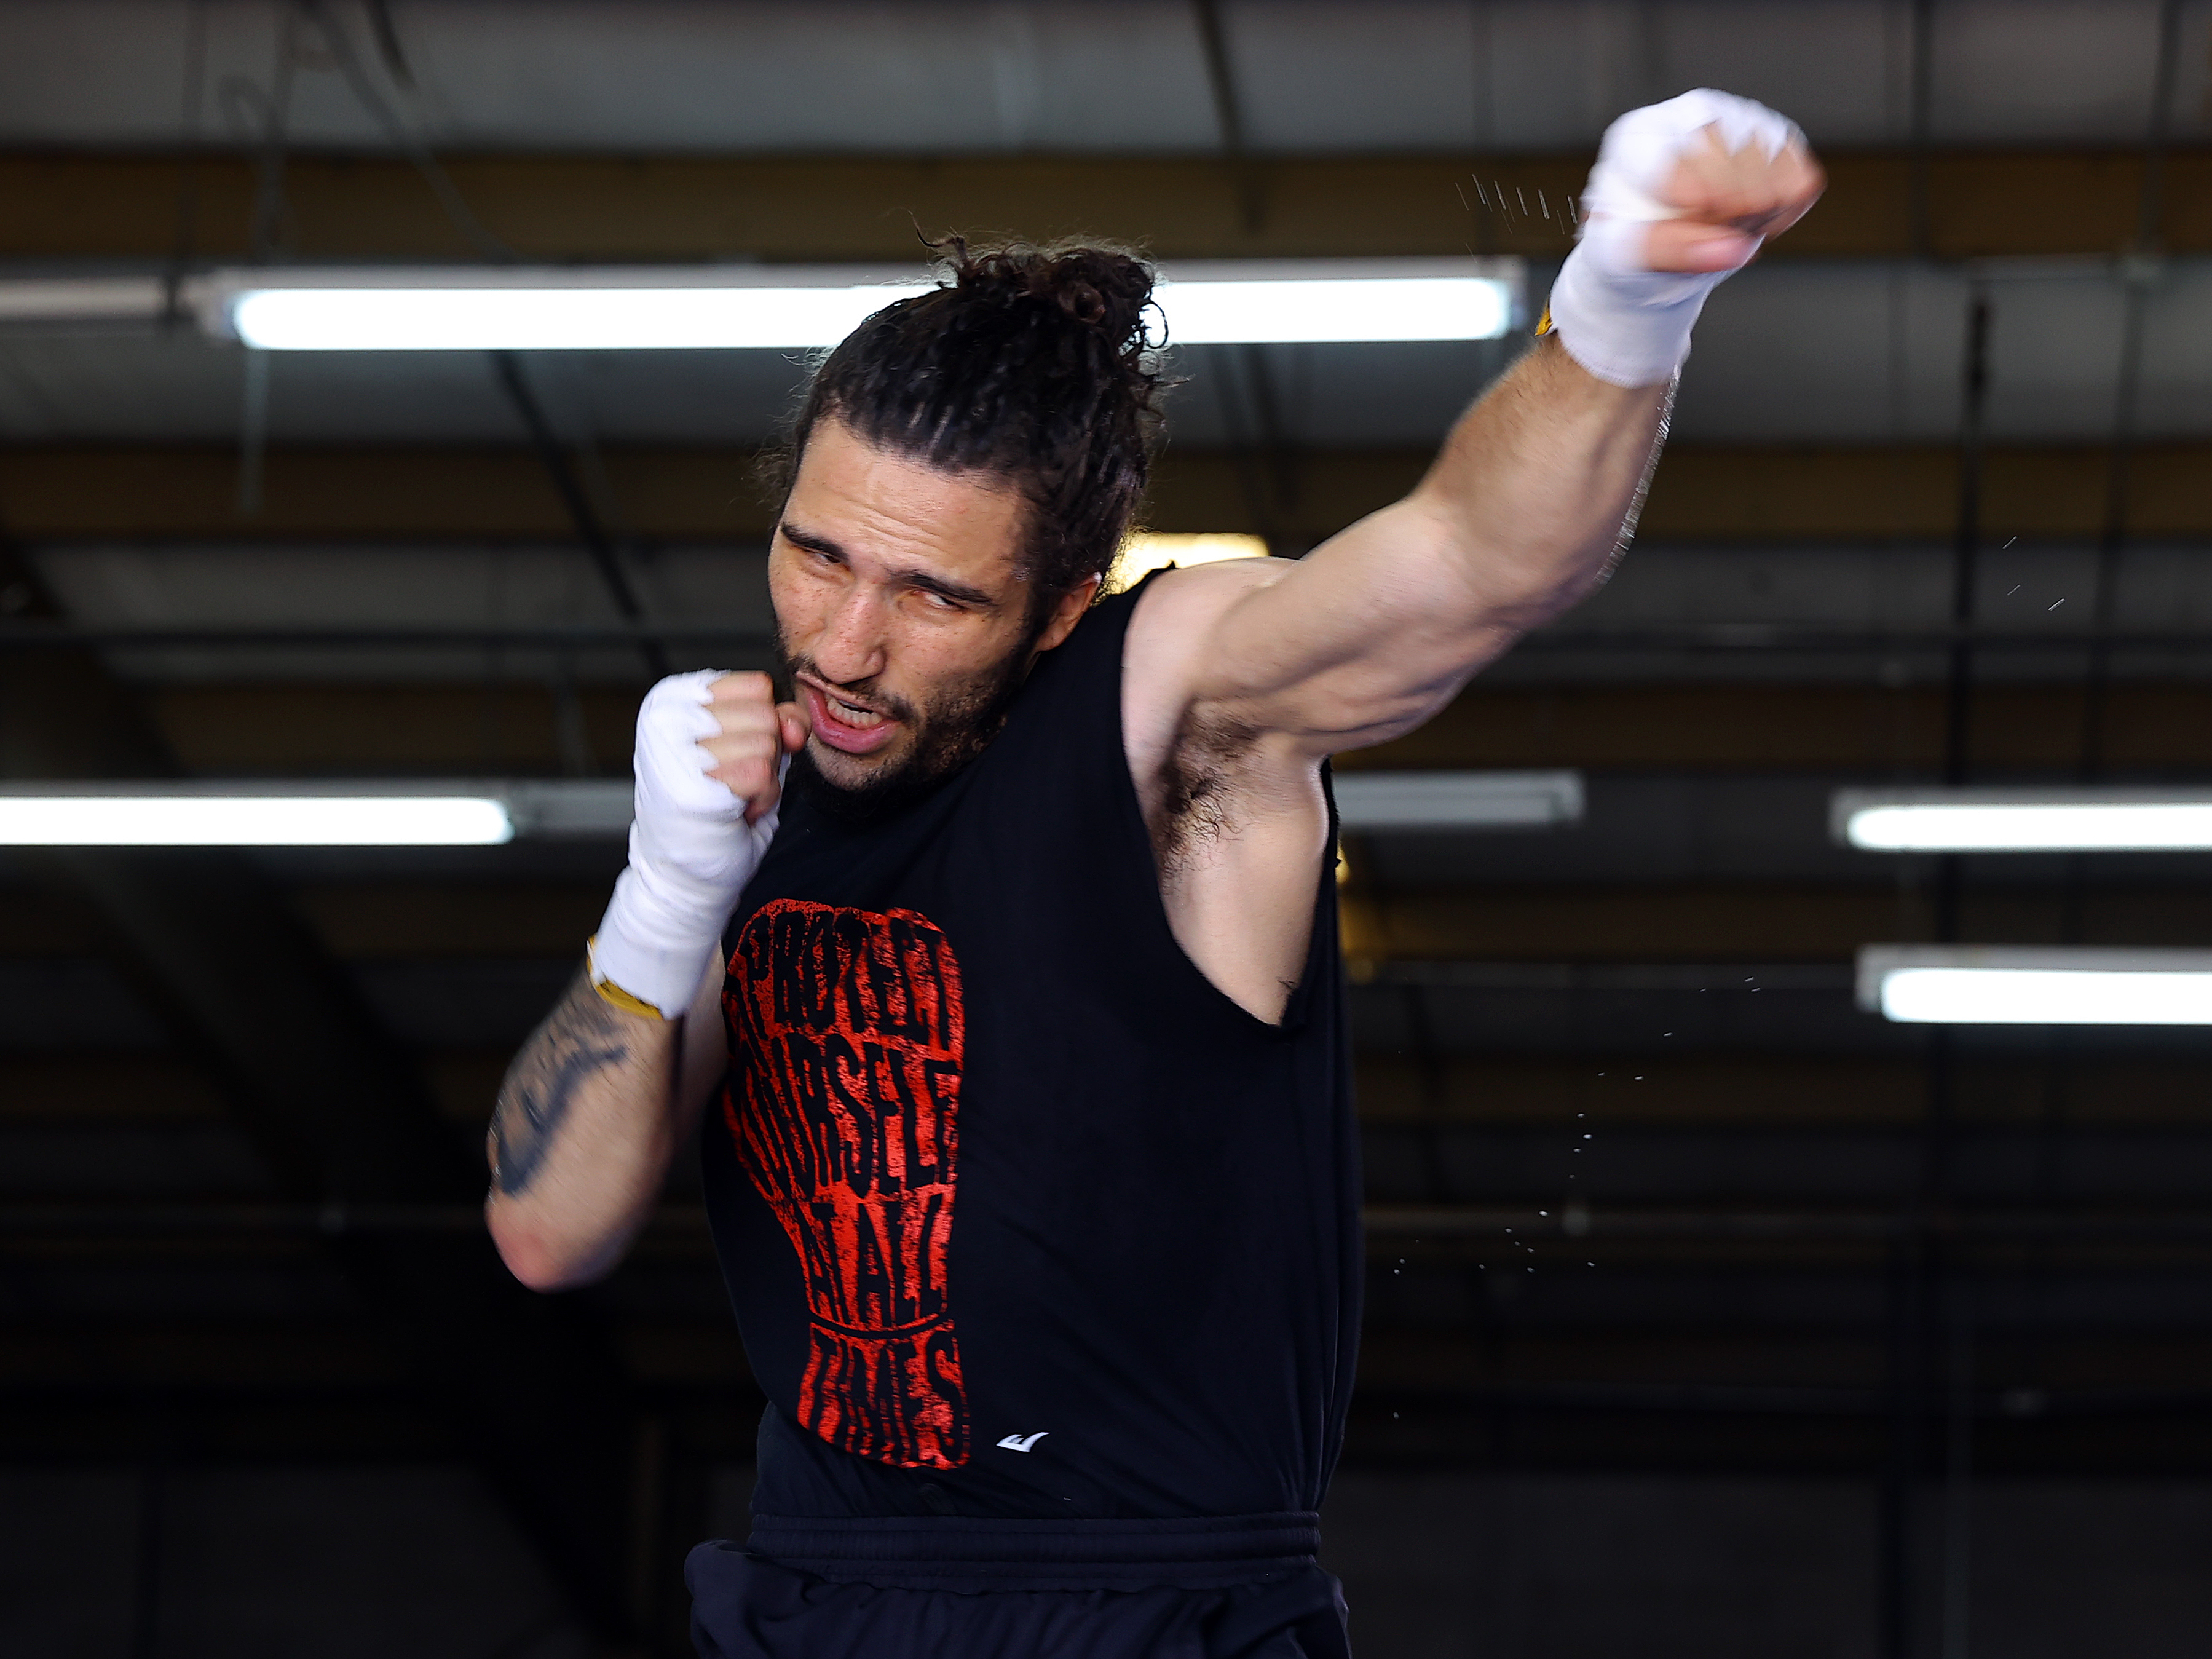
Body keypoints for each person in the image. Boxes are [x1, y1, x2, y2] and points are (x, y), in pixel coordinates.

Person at [484, 90, 1822, 1659]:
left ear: (1060, 604)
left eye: (932, 595)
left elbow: (1467, 566)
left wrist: (1626, 297)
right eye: (817, 556)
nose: (846, 645)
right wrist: (661, 891)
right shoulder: (752, 817)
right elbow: (542, 1234)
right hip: (814, 1600)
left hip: (1148, 1609)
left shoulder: (1163, 715)